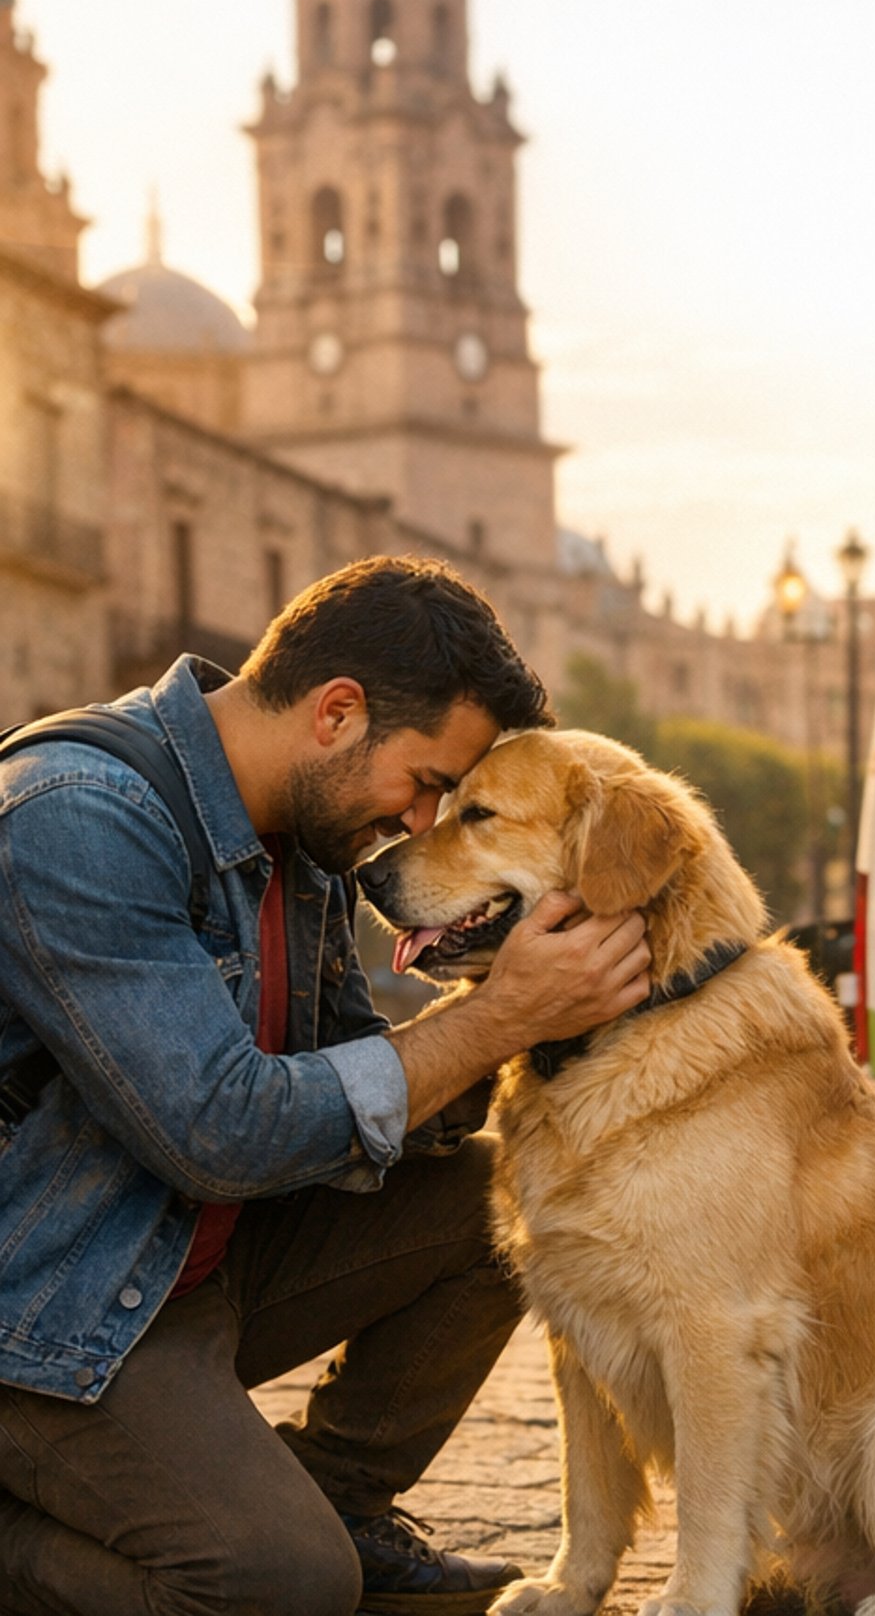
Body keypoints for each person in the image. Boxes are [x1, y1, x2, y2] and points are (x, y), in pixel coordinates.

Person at [0, 558, 654, 1616]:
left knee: (504, 1203)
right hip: (50, 1305)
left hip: (191, 1262)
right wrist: (500, 1017)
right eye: (431, 784)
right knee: (283, 1585)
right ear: (337, 714)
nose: (423, 825)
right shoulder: (79, 816)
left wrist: (542, 978)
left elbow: (367, 1083)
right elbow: (217, 1130)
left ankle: (337, 1497)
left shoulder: (296, 840)